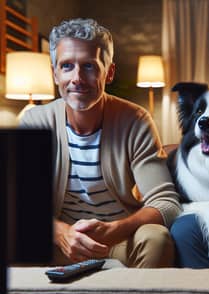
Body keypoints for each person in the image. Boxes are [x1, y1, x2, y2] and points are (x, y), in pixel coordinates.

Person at [19, 18, 182, 267]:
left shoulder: (135, 121)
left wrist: (117, 229)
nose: (77, 78)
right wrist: (60, 232)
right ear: (54, 74)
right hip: (58, 243)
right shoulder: (35, 121)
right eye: (66, 66)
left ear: (109, 73)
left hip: (118, 242)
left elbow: (166, 204)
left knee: (156, 238)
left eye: (89, 66)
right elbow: (21, 202)